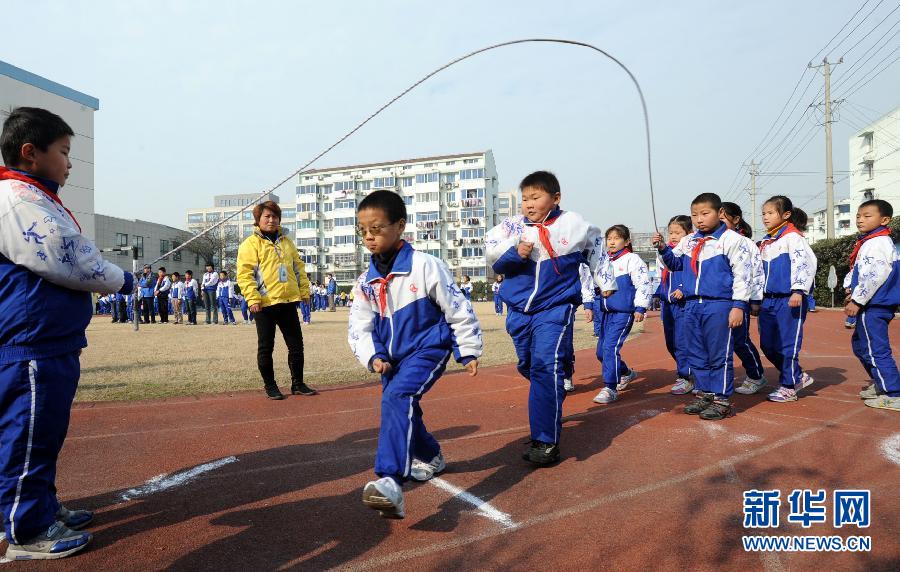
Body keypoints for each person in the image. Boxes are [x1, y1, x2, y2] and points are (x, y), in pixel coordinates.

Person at [0, 107, 136, 559]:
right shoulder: (18, 200)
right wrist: (123, 279)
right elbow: (68, 259)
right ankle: (27, 530)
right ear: (29, 153)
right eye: (63, 152)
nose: (70, 163)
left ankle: (40, 505)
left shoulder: (35, 197)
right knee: (28, 433)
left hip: (48, 337)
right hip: (30, 340)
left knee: (44, 431)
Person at [348, 190, 482, 519]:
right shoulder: (366, 282)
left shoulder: (426, 266)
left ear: (400, 226)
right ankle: (432, 457)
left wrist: (467, 349)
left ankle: (391, 480)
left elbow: (457, 308)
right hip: (391, 360)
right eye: (362, 230)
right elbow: (359, 327)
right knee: (405, 407)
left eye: (376, 228)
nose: (368, 236)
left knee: (397, 398)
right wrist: (373, 356)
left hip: (428, 348)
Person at [485, 171, 616, 465]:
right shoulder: (511, 227)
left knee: (546, 367)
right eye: (525, 199)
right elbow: (491, 259)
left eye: (536, 197)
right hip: (518, 311)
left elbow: (597, 249)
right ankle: (553, 390)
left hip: (555, 309)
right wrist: (515, 254)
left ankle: (545, 440)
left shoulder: (574, 224)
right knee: (529, 365)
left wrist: (605, 283)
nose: (528, 204)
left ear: (555, 198)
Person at [654, 192, 754, 421]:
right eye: (694, 215)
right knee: (696, 352)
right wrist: (663, 249)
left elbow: (742, 275)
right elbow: (675, 264)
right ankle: (705, 392)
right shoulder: (689, 241)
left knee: (719, 353)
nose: (699, 219)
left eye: (704, 214)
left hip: (718, 305)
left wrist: (738, 305)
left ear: (719, 213)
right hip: (691, 306)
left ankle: (722, 399)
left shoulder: (732, 240)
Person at [236, 200, 317, 400]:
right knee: (266, 347)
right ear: (258, 220)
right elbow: (245, 274)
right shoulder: (250, 244)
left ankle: (298, 383)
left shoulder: (287, 242)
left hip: (288, 301)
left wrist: (304, 291)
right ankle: (270, 386)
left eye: (275, 216)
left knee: (296, 345)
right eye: (267, 216)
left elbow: (298, 268)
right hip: (264, 304)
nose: (271, 220)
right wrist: (253, 298)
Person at [756, 196, 817, 403]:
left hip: (788, 299)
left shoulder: (794, 238)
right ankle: (798, 375)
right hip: (768, 301)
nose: (765, 217)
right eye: (763, 213)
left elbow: (805, 264)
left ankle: (789, 386)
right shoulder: (767, 242)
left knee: (787, 345)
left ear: (786, 215)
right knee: (767, 345)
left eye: (770, 213)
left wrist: (798, 291)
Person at [844, 199, 899, 411]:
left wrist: (858, 300)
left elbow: (875, 275)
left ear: (884, 220)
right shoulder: (870, 241)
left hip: (874, 305)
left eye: (867, 216)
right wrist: (849, 287)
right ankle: (882, 382)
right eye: (858, 215)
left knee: (876, 349)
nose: (860, 219)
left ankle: (893, 393)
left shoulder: (878, 243)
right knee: (860, 345)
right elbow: (859, 271)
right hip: (872, 304)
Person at [591, 225, 652, 404]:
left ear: (626, 242)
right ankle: (625, 372)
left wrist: (640, 307)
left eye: (616, 238)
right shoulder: (602, 260)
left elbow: (643, 283)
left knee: (610, 348)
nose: (611, 241)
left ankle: (610, 387)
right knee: (601, 352)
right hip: (605, 313)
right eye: (609, 238)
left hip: (623, 313)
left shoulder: (632, 260)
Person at [720, 202, 768, 396]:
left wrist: (755, 300)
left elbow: (755, 273)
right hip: (718, 302)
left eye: (723, 219)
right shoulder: (713, 241)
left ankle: (756, 375)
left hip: (739, 300)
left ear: (736, 219)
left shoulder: (745, 243)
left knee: (740, 340)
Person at [657, 215, 694, 394]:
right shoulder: (666, 252)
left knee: (681, 341)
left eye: (678, 232)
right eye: (670, 232)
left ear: (688, 233)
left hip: (682, 304)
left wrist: (683, 288)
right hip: (668, 303)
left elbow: (691, 273)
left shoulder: (689, 250)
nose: (673, 236)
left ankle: (686, 376)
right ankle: (688, 371)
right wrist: (660, 294)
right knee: (670, 342)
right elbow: (662, 274)